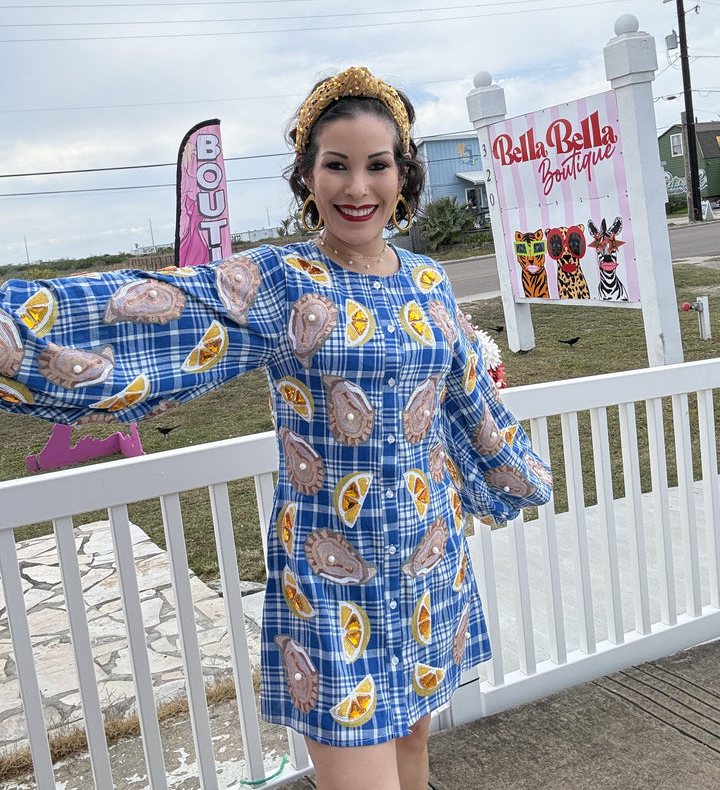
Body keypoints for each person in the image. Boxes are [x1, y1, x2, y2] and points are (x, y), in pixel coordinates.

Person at [0, 67, 552, 790]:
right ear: (307, 176)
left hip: (428, 563)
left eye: (377, 165)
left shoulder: (428, 279)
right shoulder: (283, 279)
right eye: (337, 165)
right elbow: (160, 307)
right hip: (330, 579)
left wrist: (515, 474)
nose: (358, 187)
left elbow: (465, 397)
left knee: (416, 753)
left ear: (403, 173)